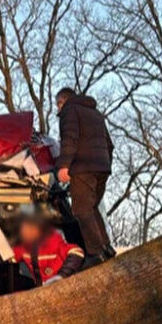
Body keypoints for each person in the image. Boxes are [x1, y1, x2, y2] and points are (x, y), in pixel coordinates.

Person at [55, 87, 115, 266]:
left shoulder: (69, 111)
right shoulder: (96, 113)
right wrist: (105, 164)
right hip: (102, 167)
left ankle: (95, 253)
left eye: (57, 105)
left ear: (62, 102)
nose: (57, 110)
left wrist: (64, 166)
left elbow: (70, 139)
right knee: (92, 207)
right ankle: (106, 247)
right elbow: (109, 144)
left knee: (81, 210)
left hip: (83, 167)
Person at [11, 214, 84, 285]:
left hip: (62, 284)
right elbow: (10, 256)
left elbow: (77, 252)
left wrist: (62, 275)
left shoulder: (53, 241)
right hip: (41, 288)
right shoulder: (23, 247)